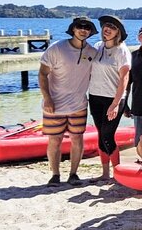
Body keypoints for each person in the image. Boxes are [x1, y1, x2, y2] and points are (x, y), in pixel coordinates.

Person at [38, 16, 98, 186]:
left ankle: (73, 174)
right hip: (54, 105)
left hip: (78, 104)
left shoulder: (92, 52)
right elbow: (42, 74)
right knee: (54, 140)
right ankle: (55, 174)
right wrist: (47, 98)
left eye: (87, 27)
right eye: (80, 26)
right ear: (73, 29)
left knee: (77, 138)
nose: (83, 30)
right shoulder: (56, 48)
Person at [88, 15, 131, 180]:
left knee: (107, 135)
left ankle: (117, 173)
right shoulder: (98, 46)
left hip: (113, 99)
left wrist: (115, 103)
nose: (107, 29)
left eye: (112, 27)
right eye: (106, 25)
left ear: (118, 32)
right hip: (95, 96)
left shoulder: (122, 50)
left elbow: (124, 79)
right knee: (101, 134)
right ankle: (105, 174)